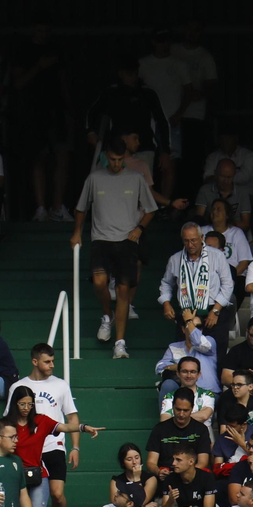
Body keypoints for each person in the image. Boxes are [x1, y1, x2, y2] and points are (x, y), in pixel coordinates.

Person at [71, 138, 158, 356]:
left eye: (120, 160)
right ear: (106, 157)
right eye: (113, 160)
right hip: (101, 239)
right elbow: (81, 208)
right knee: (100, 282)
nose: (117, 164)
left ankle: (120, 343)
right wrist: (77, 233)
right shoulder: (95, 177)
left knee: (122, 290)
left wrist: (140, 228)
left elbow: (150, 209)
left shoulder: (136, 178)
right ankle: (106, 316)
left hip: (127, 241)